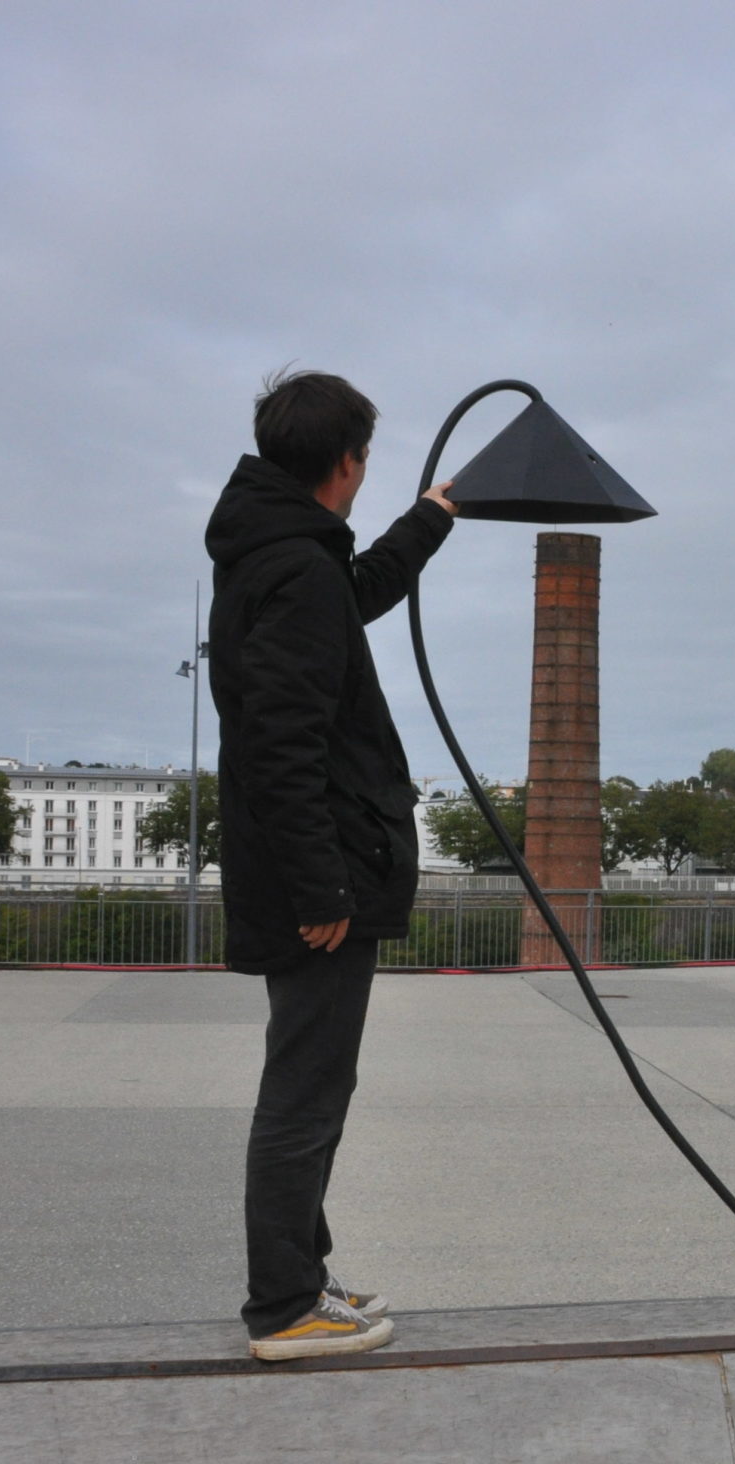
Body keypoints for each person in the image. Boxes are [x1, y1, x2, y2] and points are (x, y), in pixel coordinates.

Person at [206, 369, 456, 1361]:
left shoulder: (278, 552)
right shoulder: (299, 569)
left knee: (314, 1080)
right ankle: (283, 1306)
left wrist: (428, 521)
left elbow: (359, 591)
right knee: (306, 1087)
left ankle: (301, 1277)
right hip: (313, 884)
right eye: (366, 459)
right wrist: (323, 888)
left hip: (303, 872)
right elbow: (283, 744)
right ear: (345, 462)